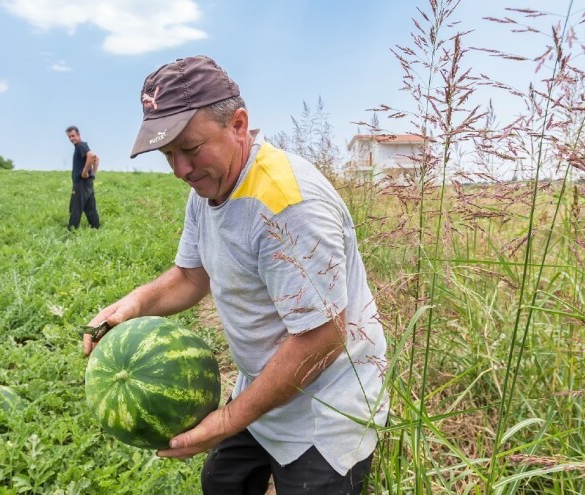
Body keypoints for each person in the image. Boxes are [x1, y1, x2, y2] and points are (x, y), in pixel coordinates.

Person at [83, 56, 389, 494]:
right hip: (264, 386)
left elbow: (323, 337)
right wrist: (133, 305)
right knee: (223, 483)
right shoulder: (210, 185)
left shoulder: (287, 206)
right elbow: (191, 277)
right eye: (169, 154)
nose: (180, 170)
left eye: (190, 149)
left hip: (325, 407)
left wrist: (226, 420)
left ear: (239, 125)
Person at [65, 125, 101, 229]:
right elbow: (97, 158)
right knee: (90, 208)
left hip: (80, 184)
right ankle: (96, 229)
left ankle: (71, 232)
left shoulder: (81, 145)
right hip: (87, 184)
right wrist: (92, 173)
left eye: (73, 136)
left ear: (78, 135)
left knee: (75, 207)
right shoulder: (81, 146)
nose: (71, 139)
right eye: (69, 137)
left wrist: (85, 172)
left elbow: (91, 156)